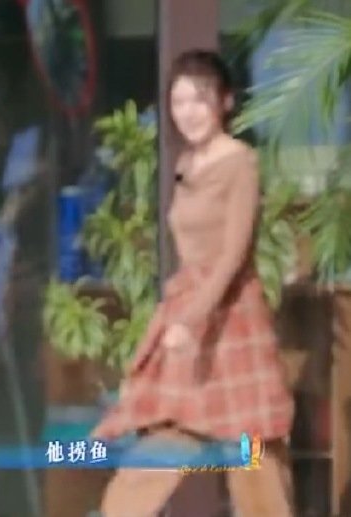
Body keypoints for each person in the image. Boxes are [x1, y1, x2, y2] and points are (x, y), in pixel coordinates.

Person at [91, 50, 295, 516]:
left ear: (225, 102)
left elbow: (232, 254)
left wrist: (192, 320)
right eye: (179, 101)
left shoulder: (240, 161)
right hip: (186, 312)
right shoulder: (186, 163)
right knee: (162, 438)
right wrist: (175, 322)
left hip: (231, 319)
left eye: (200, 100)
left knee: (254, 454)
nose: (188, 112)